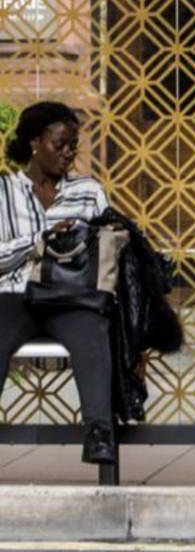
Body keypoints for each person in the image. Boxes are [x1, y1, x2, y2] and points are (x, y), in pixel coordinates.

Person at [0, 101, 116, 464]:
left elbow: (106, 248)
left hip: (69, 295)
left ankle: (99, 434)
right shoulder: (4, 193)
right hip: (14, 294)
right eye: (59, 144)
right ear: (35, 142)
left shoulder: (88, 191)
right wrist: (40, 239)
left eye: (72, 146)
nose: (68, 153)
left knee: (93, 331)